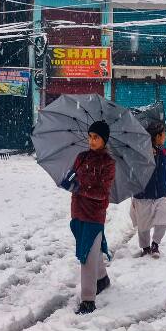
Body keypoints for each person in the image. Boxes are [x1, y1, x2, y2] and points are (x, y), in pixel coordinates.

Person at [63, 120, 116, 315]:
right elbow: (73, 178)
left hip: (95, 215)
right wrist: (68, 180)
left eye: (96, 137)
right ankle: (102, 279)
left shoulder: (108, 163)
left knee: (87, 255)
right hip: (77, 212)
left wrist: (80, 188)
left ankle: (88, 300)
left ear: (104, 140)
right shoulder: (81, 157)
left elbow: (102, 193)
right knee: (92, 250)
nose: (92, 141)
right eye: (90, 137)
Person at [130, 121, 166, 258]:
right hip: (143, 194)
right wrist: (147, 155)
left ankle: (155, 244)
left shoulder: (162, 152)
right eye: (164, 134)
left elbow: (164, 173)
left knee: (164, 219)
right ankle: (145, 247)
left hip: (159, 194)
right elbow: (134, 172)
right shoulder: (140, 152)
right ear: (157, 136)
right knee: (143, 225)